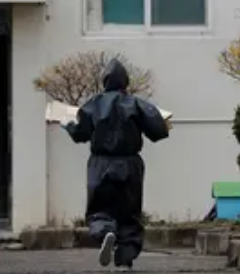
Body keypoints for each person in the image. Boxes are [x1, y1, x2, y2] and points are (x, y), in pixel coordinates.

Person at [62, 58, 171, 268]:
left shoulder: (94, 104)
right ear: (126, 82)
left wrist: (67, 125)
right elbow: (158, 131)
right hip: (130, 163)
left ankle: (106, 232)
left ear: (104, 81)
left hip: (101, 164)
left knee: (100, 208)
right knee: (129, 213)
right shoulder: (137, 104)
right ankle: (125, 259)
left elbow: (80, 133)